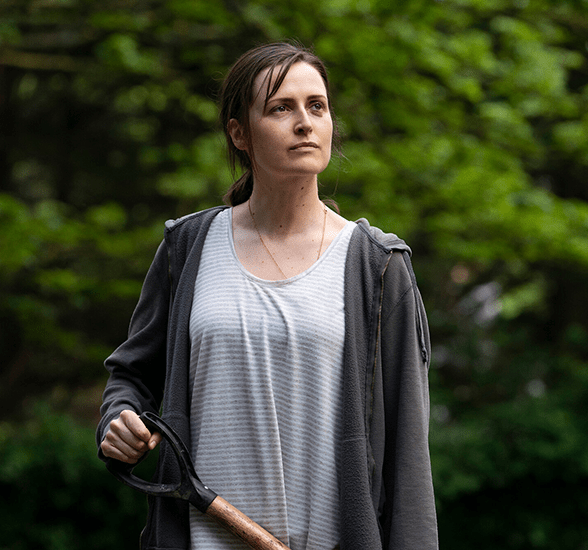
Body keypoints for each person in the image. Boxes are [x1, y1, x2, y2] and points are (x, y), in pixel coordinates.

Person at [96, 41, 438, 550]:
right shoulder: (187, 248)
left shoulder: (377, 265)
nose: (305, 123)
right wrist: (119, 419)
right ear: (240, 133)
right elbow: (132, 376)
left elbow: (408, 454)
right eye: (281, 108)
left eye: (317, 106)